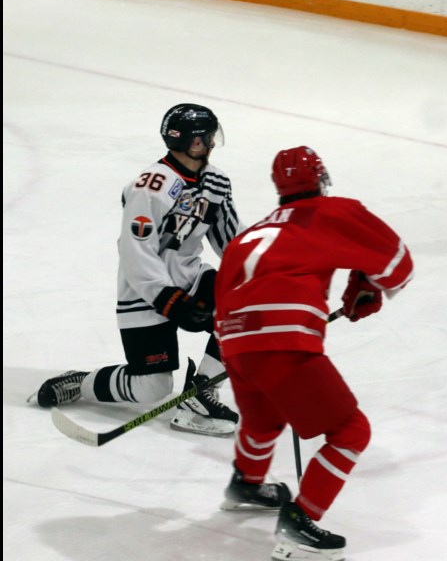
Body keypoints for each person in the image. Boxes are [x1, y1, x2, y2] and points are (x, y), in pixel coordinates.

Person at [213, 145, 414, 561]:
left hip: (232, 342)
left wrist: (358, 282)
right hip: (282, 342)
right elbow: (398, 264)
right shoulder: (334, 212)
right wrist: (368, 285)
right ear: (320, 179)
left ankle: (247, 483)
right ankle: (300, 523)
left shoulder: (249, 235)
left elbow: (227, 300)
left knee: (264, 419)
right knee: (350, 430)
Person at [33, 103, 244, 437]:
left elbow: (235, 242)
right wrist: (171, 301)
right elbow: (134, 253)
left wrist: (271, 270)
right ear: (194, 142)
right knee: (152, 388)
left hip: (191, 279)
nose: (213, 143)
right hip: (146, 293)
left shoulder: (214, 182)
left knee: (246, 303)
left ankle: (200, 392)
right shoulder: (150, 187)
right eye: (208, 137)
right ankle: (81, 383)